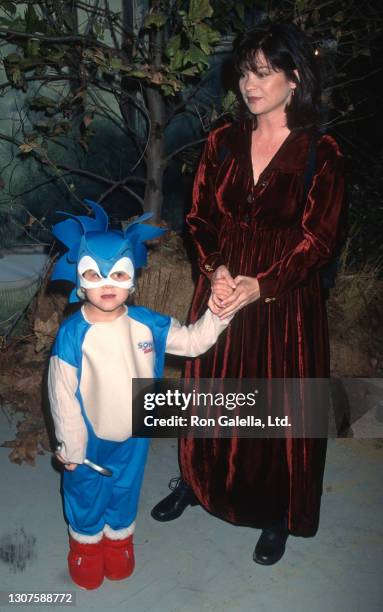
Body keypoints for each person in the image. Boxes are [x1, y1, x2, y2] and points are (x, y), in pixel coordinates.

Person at [151, 21, 347, 565]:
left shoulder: (319, 150)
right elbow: (197, 217)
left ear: (293, 76)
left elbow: (320, 239)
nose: (249, 84)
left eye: (263, 72)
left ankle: (278, 512)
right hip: (221, 287)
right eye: (244, 72)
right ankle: (196, 482)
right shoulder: (223, 141)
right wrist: (214, 268)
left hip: (283, 300)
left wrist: (261, 285)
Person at [48, 201, 232, 589]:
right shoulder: (71, 333)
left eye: (117, 274)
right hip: (88, 436)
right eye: (94, 276)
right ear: (80, 282)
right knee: (85, 492)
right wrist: (71, 442)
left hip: (136, 431)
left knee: (126, 490)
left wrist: (219, 312)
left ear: (132, 278)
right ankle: (86, 545)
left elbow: (195, 341)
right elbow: (62, 392)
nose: (108, 285)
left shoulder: (147, 322)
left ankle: (119, 542)